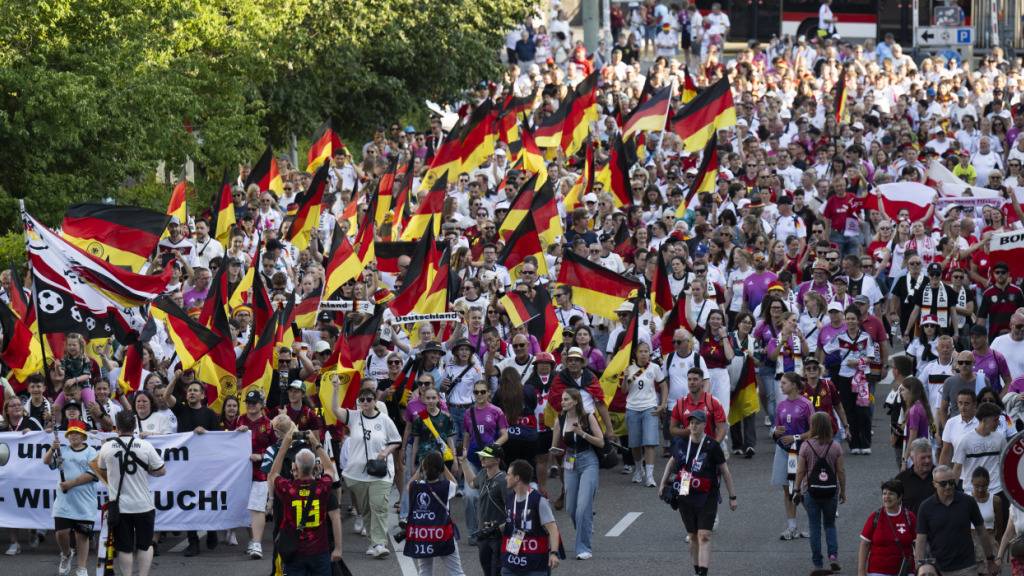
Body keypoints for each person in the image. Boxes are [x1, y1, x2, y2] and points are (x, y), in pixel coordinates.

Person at [658, 409, 737, 576]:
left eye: (697, 423)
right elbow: (672, 462)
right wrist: (663, 483)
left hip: (708, 495)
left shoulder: (712, 446)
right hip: (686, 493)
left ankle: (703, 572)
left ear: (704, 425)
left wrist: (732, 497)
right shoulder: (681, 443)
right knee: (693, 536)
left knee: (704, 535)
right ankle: (697, 570)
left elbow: (725, 471)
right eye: (691, 423)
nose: (693, 426)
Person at [92, 410, 166, 576]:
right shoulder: (145, 446)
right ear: (134, 426)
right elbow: (161, 470)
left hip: (119, 506)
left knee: (124, 547)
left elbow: (102, 470)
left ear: (116, 427)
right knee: (145, 545)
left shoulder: (107, 446)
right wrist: (149, 472)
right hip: (143, 504)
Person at [332, 383, 402, 558]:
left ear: (375, 401)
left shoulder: (384, 419)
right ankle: (373, 542)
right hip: (357, 473)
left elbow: (396, 440)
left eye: (368, 399)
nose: (365, 402)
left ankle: (379, 543)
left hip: (380, 473)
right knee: (366, 510)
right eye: (361, 399)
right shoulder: (353, 417)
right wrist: (335, 389)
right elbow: (334, 410)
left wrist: (386, 451)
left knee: (379, 506)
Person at [266, 421, 344, 576]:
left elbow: (273, 474)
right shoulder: (322, 488)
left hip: (295, 552)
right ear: (314, 467)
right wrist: (316, 443)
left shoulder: (289, 489)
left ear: (295, 467)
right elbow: (329, 469)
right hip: (319, 551)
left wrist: (284, 445)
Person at [162, 378, 221, 556]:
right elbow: (166, 396)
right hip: (186, 467)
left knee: (206, 500)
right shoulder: (181, 410)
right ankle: (193, 541)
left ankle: (211, 531)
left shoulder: (210, 414)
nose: (192, 393)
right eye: (189, 390)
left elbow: (218, 441)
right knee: (188, 504)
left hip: (204, 466)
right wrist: (175, 378)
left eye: (196, 390)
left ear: (203, 395)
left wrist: (206, 433)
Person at [915, 465, 999, 576]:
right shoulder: (926, 507)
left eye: (951, 482)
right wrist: (920, 566)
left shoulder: (968, 502)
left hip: (967, 566)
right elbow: (921, 539)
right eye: (943, 483)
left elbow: (981, 531)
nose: (948, 487)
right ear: (934, 484)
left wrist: (990, 559)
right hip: (938, 568)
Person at [550, 388, 603, 560]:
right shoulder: (560, 419)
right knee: (571, 508)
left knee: (582, 508)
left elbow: (601, 442)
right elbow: (554, 446)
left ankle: (583, 547)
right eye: (562, 399)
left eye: (566, 399)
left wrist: (582, 433)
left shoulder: (588, 417)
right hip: (569, 462)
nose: (562, 402)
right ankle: (586, 526)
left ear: (575, 401)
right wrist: (555, 452)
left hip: (588, 461)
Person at [44, 419, 98, 576]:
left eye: (77, 433)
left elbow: (93, 474)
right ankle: (66, 554)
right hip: (64, 501)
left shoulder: (92, 453)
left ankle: (81, 567)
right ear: (67, 436)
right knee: (61, 533)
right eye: (71, 433)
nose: (74, 436)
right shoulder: (62, 450)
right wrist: (51, 449)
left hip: (85, 502)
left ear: (83, 436)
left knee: (83, 535)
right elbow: (47, 462)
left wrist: (71, 484)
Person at [793, 412, 846, 572]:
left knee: (814, 526)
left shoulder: (806, 446)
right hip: (830, 490)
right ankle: (833, 556)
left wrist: (796, 489)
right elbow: (841, 471)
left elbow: (800, 470)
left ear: (813, 426)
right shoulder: (835, 446)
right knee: (830, 524)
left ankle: (818, 563)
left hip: (810, 490)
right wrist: (843, 491)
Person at [403, 451, 465, 576]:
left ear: (423, 468)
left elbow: (408, 485)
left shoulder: (416, 487)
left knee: (424, 571)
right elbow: (455, 483)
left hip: (423, 536)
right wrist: (444, 466)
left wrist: (419, 469)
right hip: (443, 534)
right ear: (441, 469)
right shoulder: (446, 486)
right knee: (456, 572)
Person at [772, 371, 815, 540]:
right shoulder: (781, 405)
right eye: (781, 383)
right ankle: (792, 526)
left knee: (801, 489)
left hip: (800, 452)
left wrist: (796, 437)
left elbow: (813, 431)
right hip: (784, 451)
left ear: (794, 385)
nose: (781, 386)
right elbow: (777, 428)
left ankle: (815, 523)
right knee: (787, 489)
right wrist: (776, 432)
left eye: (784, 383)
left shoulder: (806, 404)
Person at [501, 459, 561, 576]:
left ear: (517, 478)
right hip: (511, 563)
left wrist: (554, 553)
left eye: (508, 474)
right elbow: (512, 523)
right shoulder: (509, 499)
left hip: (535, 566)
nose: (506, 478)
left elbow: (552, 528)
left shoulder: (538, 500)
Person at [621, 341, 666, 487]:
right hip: (633, 408)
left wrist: (663, 404)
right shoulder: (629, 368)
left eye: (646, 351)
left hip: (650, 407)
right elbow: (624, 391)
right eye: (641, 351)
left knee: (650, 442)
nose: (644, 354)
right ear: (636, 353)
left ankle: (650, 475)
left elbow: (664, 385)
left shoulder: (655, 368)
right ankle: (638, 469)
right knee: (635, 443)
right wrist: (626, 379)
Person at [462, 444, 508, 576]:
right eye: (482, 456)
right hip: (483, 534)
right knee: (487, 570)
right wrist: (464, 461)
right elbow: (471, 483)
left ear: (497, 460)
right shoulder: (482, 474)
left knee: (497, 571)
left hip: (498, 536)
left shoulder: (503, 481)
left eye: (487, 457)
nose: (482, 459)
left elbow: (512, 509)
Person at [858, 479, 917, 576]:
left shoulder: (909, 517)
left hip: (905, 571)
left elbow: (918, 544)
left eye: (891, 494)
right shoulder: (874, 517)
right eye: (884, 493)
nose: (886, 497)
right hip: (878, 571)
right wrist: (861, 571)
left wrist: (919, 567)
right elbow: (864, 544)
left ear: (899, 497)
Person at [895, 438, 937, 515]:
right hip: (911, 525)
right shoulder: (902, 479)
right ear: (912, 458)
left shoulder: (940, 477)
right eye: (923, 458)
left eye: (929, 457)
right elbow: (893, 505)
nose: (927, 461)